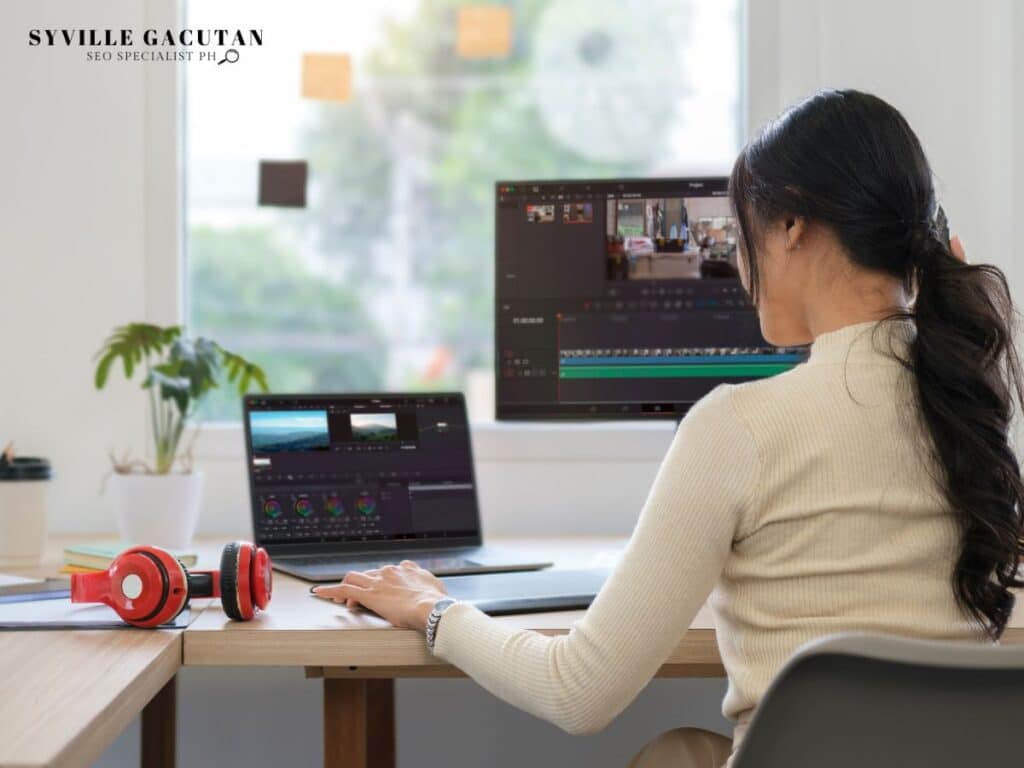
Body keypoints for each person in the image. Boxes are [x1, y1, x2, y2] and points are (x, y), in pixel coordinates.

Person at [312, 90, 1024, 768]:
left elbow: (579, 690)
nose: (740, 270)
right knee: (681, 752)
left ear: (792, 226)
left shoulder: (740, 428)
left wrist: (438, 613)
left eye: (741, 236)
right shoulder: (969, 410)